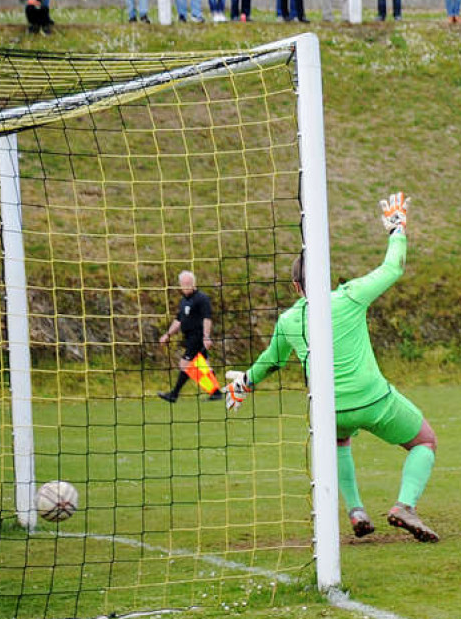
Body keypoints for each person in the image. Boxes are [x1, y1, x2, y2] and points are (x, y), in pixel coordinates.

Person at [225, 194, 439, 542]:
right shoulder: (350, 296)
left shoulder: (289, 319)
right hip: (374, 400)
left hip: (330, 409)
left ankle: (356, 511)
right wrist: (397, 229)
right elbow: (393, 268)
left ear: (295, 287)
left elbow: (271, 361)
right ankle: (404, 506)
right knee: (424, 441)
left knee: (339, 440)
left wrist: (244, 383)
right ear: (324, 276)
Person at [158, 271, 223, 403]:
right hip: (188, 338)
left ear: (194, 283)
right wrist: (168, 334)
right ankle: (216, 392)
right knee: (203, 366)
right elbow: (178, 321)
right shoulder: (183, 301)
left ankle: (174, 394)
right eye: (183, 284)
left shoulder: (202, 298)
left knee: (185, 364)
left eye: (188, 283)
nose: (186, 286)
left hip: (197, 337)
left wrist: (206, 337)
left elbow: (207, 318)